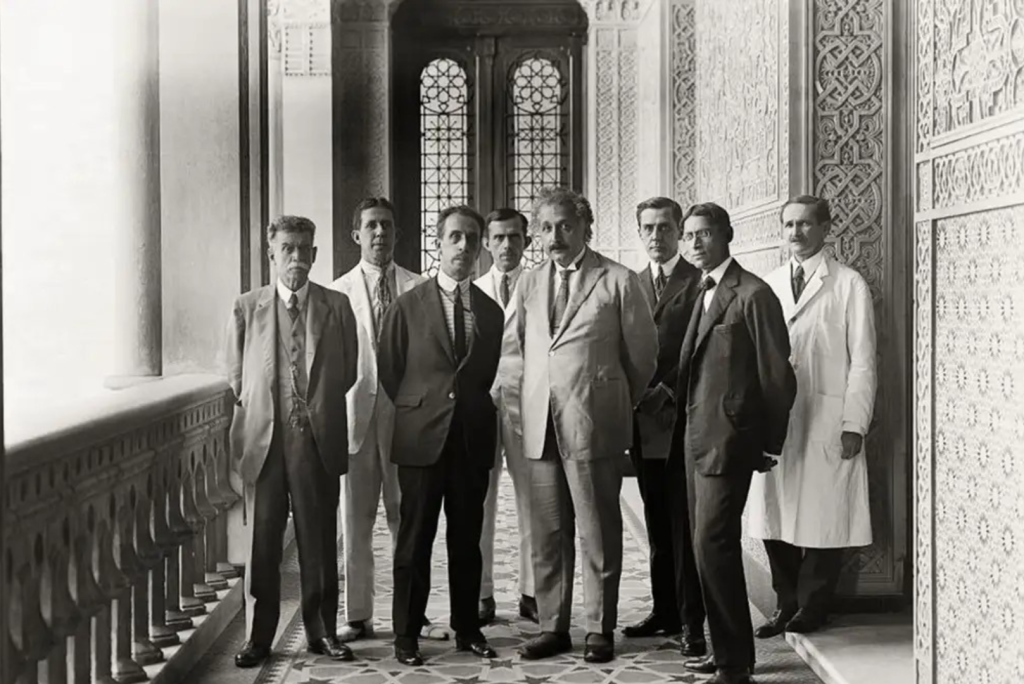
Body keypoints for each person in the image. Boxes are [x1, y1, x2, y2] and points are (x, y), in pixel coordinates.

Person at [514, 187, 658, 664]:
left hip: (594, 424)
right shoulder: (529, 283)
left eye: (565, 226)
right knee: (548, 535)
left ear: (585, 228)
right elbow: (518, 351)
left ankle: (599, 627)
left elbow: (643, 358)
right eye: (546, 227)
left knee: (598, 532)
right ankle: (552, 627)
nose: (555, 236)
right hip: (541, 427)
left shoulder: (617, 280)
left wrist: (608, 400)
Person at [226, 215, 359, 668]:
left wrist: (313, 410)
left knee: (318, 541)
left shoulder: (336, 306)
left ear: (315, 254)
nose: (296, 257)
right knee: (262, 544)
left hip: (316, 443)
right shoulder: (247, 308)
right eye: (287, 248)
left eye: (304, 249)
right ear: (272, 254)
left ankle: (322, 632)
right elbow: (236, 377)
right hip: (264, 444)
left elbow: (348, 372)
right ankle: (258, 638)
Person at [672, 202, 796, 684]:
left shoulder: (754, 294)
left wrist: (769, 443)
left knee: (714, 543)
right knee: (705, 548)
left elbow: (777, 376)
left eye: (705, 233)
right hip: (696, 439)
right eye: (689, 235)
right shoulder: (702, 289)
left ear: (727, 235)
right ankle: (726, 650)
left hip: (729, 442)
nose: (695, 243)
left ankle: (735, 664)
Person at [379, 206, 505, 666]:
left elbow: (487, 373)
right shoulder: (407, 305)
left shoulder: (491, 312)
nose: (463, 246)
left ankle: (467, 628)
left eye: (471, 238)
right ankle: (406, 634)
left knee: (467, 541)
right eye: (455, 237)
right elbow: (391, 370)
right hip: (421, 439)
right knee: (414, 540)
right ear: (438, 243)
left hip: (470, 439)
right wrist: (425, 406)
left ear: (479, 248)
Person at [748, 195, 877, 636]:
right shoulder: (767, 284)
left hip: (828, 415)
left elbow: (864, 361)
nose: (796, 232)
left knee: (824, 514)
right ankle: (785, 603)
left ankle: (813, 606)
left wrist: (854, 423)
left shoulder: (848, 284)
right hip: (777, 418)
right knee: (774, 512)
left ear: (825, 228)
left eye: (805, 224)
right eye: (789, 224)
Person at [329, 197, 429, 642]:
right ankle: (358, 615)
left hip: (408, 415)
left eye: (387, 225)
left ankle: (412, 613)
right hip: (358, 415)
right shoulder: (338, 292)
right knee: (356, 519)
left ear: (397, 233)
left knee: (408, 519)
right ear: (357, 234)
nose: (380, 233)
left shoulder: (419, 287)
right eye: (371, 226)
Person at [622, 197, 707, 657]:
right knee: (655, 518)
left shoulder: (697, 282)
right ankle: (664, 610)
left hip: (682, 418)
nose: (656, 236)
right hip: (641, 420)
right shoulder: (630, 283)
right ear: (640, 233)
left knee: (683, 523)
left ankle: (693, 622)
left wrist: (668, 389)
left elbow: (699, 348)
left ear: (679, 232)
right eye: (648, 228)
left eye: (665, 228)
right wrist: (635, 393)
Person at [475, 207, 538, 626]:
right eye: (498, 237)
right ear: (486, 243)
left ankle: (531, 593)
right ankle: (482, 594)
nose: (506, 245)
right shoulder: (472, 288)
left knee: (532, 501)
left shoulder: (540, 286)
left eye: (514, 237)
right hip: (480, 407)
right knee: (479, 502)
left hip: (526, 405)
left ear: (526, 242)